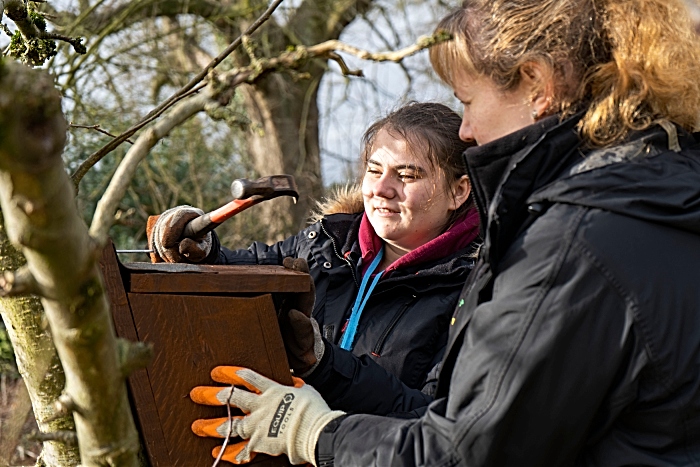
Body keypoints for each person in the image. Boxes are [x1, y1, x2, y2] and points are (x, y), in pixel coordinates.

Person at [188, 0, 700, 465]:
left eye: (469, 101)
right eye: (374, 169)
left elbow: (462, 450)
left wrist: (316, 432)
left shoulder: (573, 241)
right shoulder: (657, 194)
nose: (467, 131)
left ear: (537, 84)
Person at [152, 102, 480, 417]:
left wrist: (322, 364)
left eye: (407, 175)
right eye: (374, 170)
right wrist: (200, 247)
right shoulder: (326, 243)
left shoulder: (476, 289)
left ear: (458, 191)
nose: (381, 189)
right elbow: (238, 272)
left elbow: (436, 421)